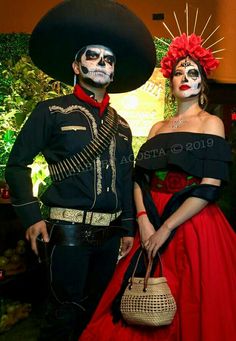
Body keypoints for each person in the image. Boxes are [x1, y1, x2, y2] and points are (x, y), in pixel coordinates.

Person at [4, 0, 156, 340]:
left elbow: (127, 177)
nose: (101, 63)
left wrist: (128, 227)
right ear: (76, 64)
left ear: (114, 72)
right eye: (92, 55)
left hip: (111, 236)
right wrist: (31, 218)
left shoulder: (122, 126)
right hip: (66, 233)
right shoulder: (51, 111)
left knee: (98, 312)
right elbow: (16, 166)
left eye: (109, 59)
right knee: (63, 315)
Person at [79, 28, 236, 341]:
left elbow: (210, 186)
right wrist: (144, 223)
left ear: (203, 82)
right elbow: (140, 179)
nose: (185, 77)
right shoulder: (157, 127)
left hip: (193, 222)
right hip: (150, 218)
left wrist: (165, 229)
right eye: (179, 72)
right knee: (139, 302)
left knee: (193, 302)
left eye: (193, 72)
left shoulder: (211, 123)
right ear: (171, 80)